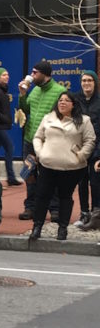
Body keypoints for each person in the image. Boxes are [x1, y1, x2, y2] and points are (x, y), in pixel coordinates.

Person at [29, 90, 96, 242]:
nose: (62, 103)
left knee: (65, 197)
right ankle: (37, 227)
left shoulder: (83, 120)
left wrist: (81, 156)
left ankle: (63, 228)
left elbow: (90, 141)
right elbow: (38, 137)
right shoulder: (48, 118)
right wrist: (40, 152)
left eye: (66, 100)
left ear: (73, 105)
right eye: (60, 100)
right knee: (42, 196)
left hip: (71, 167)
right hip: (47, 165)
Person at [17, 60, 64, 221]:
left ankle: (55, 209)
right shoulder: (35, 90)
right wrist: (22, 95)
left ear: (44, 74)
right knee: (29, 174)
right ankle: (30, 207)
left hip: (49, 142)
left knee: (50, 175)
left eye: (35, 72)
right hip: (30, 139)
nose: (32, 75)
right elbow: (25, 110)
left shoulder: (59, 91)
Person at [74, 70, 100, 226]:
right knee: (81, 181)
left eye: (89, 80)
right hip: (79, 148)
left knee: (96, 181)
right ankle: (84, 212)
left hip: (96, 148)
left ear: (95, 82)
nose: (86, 83)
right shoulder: (76, 100)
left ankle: (96, 213)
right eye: (84, 80)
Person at [0, 67, 20, 186]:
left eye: (7, 74)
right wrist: (5, 118)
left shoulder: (3, 91)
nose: (7, 77)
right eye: (3, 75)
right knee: (9, 147)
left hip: (0, 126)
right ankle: (10, 177)